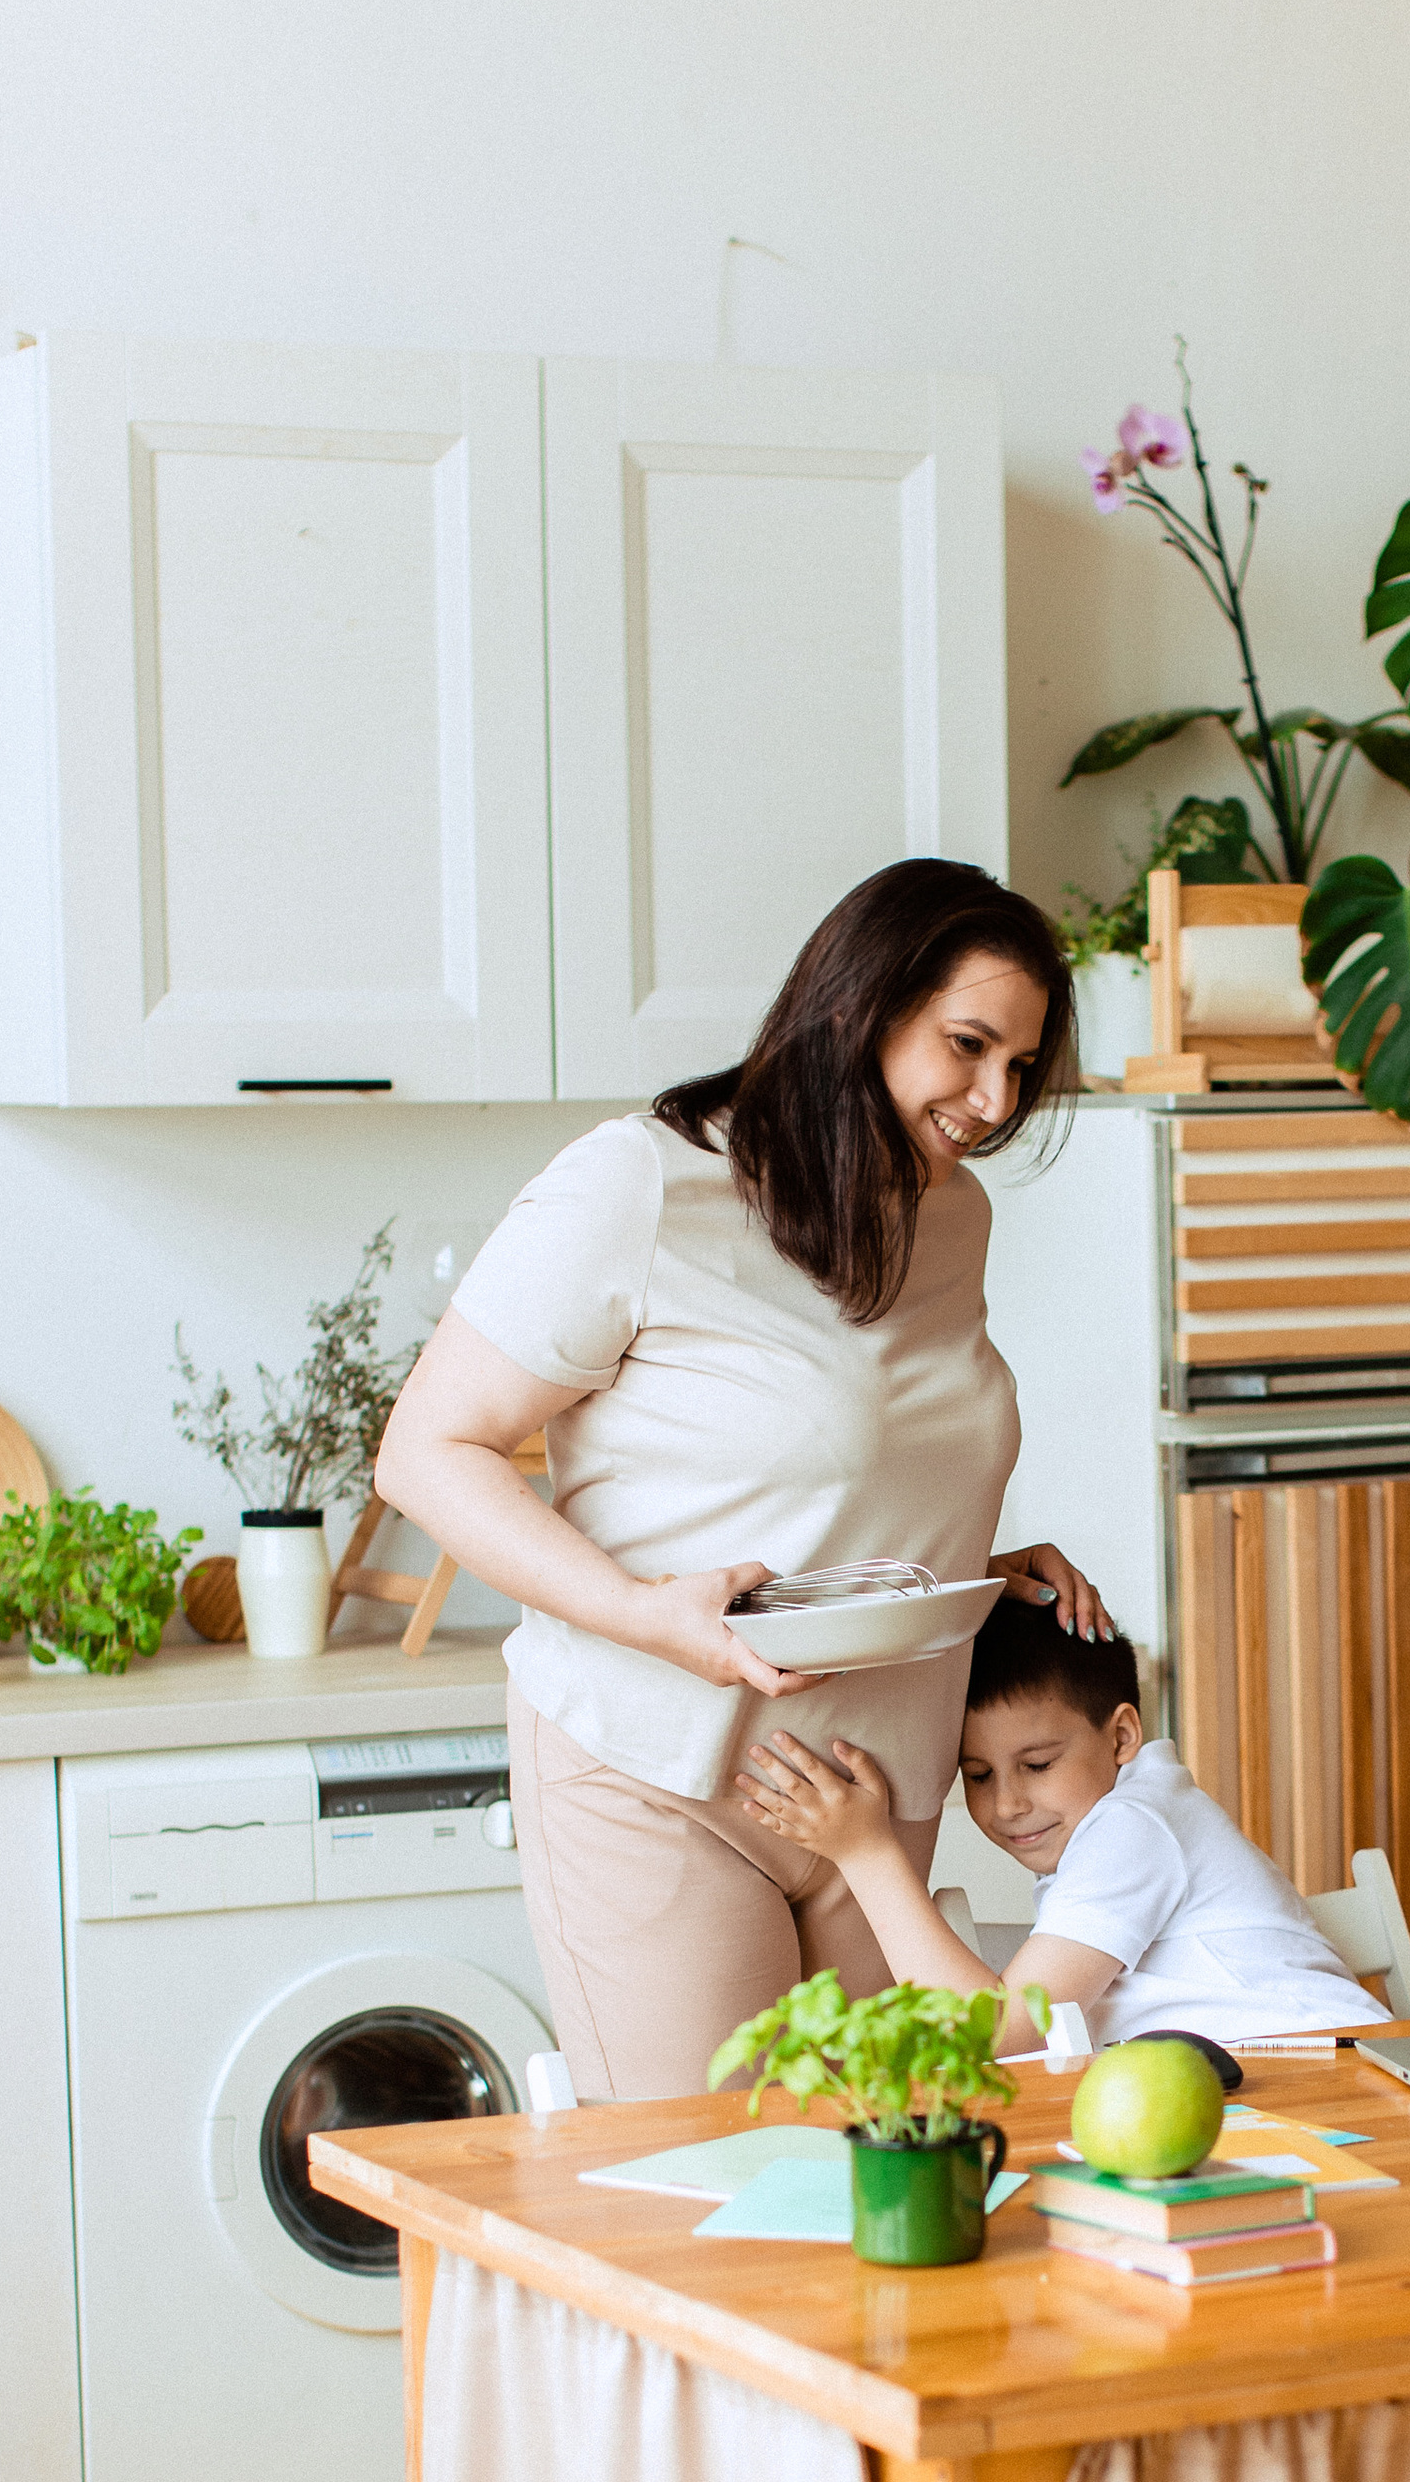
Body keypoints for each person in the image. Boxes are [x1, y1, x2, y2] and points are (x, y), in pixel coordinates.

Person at [373, 857, 1115, 2103]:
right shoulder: (645, 1183)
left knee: (875, 2213)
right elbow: (425, 1454)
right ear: (860, 1005)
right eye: (969, 1046)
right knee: (703, 2205)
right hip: (659, 1773)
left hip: (876, 1796)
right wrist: (644, 1616)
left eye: (1022, 1067)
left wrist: (981, 1569)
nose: (995, 1099)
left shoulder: (951, 1215)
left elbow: (856, 1458)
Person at [737, 1590, 1368, 2051]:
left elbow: (1004, 2032)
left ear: (1122, 1737)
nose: (1007, 1804)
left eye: (1037, 1764)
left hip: (1319, 2067)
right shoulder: (1135, 1819)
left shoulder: (1135, 1824)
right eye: (978, 1775)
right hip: (1257, 2079)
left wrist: (867, 1854)